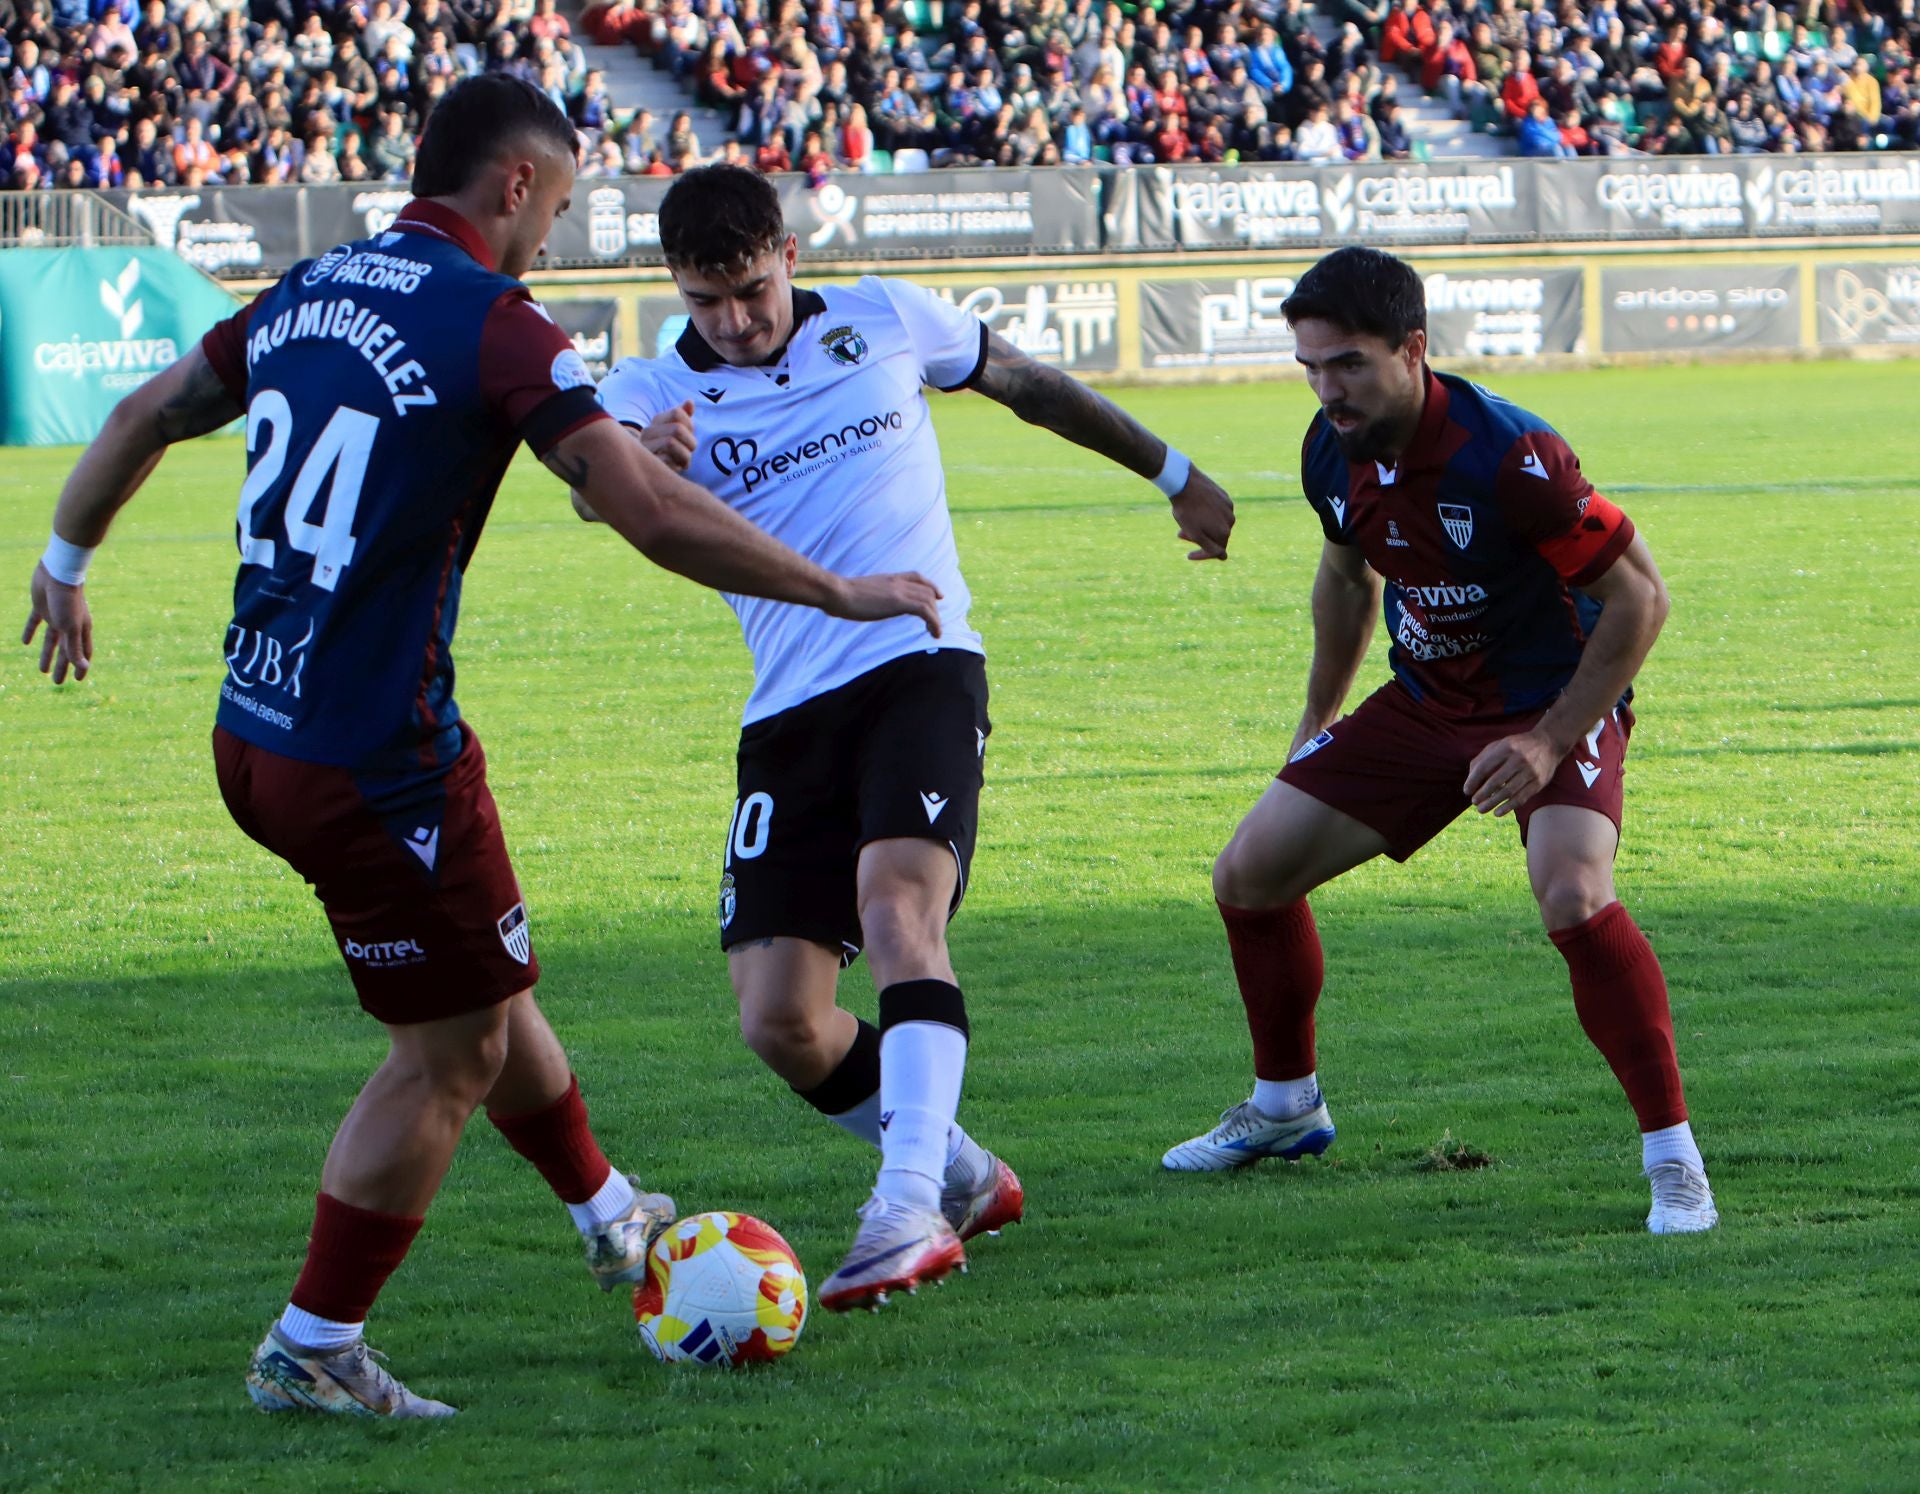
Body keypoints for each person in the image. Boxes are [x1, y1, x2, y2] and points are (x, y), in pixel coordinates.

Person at [22, 78, 941, 1418]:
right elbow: (642, 509)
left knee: (485, 979)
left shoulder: (309, 282)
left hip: (255, 724)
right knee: (446, 1052)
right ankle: (315, 1341)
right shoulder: (494, 320)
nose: (554, 240)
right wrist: (842, 591)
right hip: (375, 750)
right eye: (558, 206)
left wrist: (64, 558)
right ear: (515, 185)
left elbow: (148, 412)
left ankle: (610, 1208)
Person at [585, 165, 1235, 1312]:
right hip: (788, 709)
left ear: (787, 252)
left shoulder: (884, 316)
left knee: (898, 911)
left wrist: (1173, 473)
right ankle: (969, 1173)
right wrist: (644, 468)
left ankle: (904, 1207)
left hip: (922, 664)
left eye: (748, 290)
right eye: (704, 302)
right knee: (780, 1019)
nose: (733, 323)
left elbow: (1029, 384)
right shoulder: (647, 387)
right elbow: (598, 491)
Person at [1160, 248, 1718, 1238]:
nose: (1328, 390)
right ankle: (1286, 1107)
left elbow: (1641, 597)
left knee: (1574, 890)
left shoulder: (1516, 457)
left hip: (1552, 695)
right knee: (1249, 873)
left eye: (1349, 366)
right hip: (1427, 700)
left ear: (1413, 351)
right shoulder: (1330, 448)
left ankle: (1674, 1162)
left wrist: (1549, 742)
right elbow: (1345, 580)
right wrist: (1317, 719)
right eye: (1311, 367)